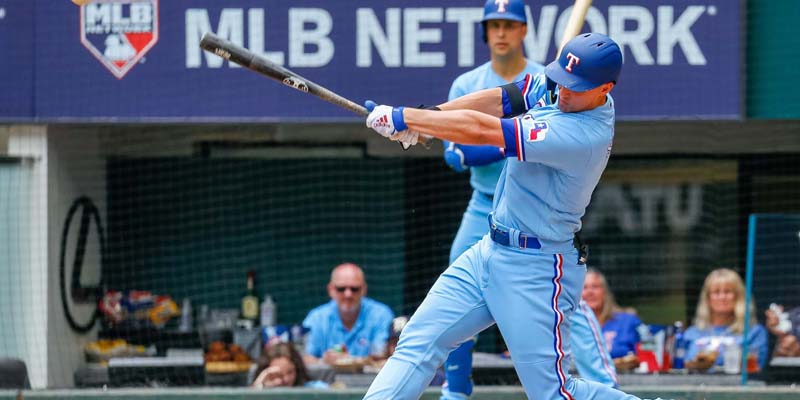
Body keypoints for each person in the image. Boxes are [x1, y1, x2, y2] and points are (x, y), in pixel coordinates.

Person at [364, 32, 642, 399]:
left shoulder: (582, 134)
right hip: (489, 251)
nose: (563, 92)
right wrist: (428, 118)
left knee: (554, 393)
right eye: (562, 81)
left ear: (605, 88)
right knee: (418, 342)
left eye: (575, 87)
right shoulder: (565, 89)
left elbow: (484, 129)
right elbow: (502, 99)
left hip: (537, 267)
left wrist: (406, 117)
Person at [439, 1, 617, 397]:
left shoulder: (553, 79)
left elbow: (505, 139)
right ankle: (455, 390)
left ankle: (603, 385)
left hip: (536, 208)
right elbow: (455, 155)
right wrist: (513, 136)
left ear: (524, 30)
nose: (501, 32)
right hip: (484, 202)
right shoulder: (468, 84)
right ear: (485, 32)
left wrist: (503, 136)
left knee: (564, 304)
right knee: (454, 290)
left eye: (510, 24)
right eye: (494, 25)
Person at [302, 262, 394, 366]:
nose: (348, 294)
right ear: (330, 290)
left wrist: (349, 361)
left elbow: (383, 356)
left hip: (370, 380)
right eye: (341, 289)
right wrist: (323, 361)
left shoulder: (381, 315)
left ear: (364, 289)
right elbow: (305, 359)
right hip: (328, 380)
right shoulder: (316, 318)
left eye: (354, 289)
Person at [683, 268, 769, 372]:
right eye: (716, 292)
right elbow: (680, 368)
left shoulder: (754, 332)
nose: (722, 297)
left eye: (728, 292)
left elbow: (755, 370)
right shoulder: (691, 333)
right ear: (707, 298)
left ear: (738, 297)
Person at [582, 268, 643, 363]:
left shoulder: (628, 321)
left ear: (605, 292)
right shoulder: (568, 327)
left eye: (595, 286)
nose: (590, 292)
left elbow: (646, 357)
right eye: (584, 287)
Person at [251, 342, 328, 389]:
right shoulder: (262, 391)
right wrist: (259, 386)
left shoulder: (313, 389)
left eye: (290, 372)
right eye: (279, 374)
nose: (286, 379)